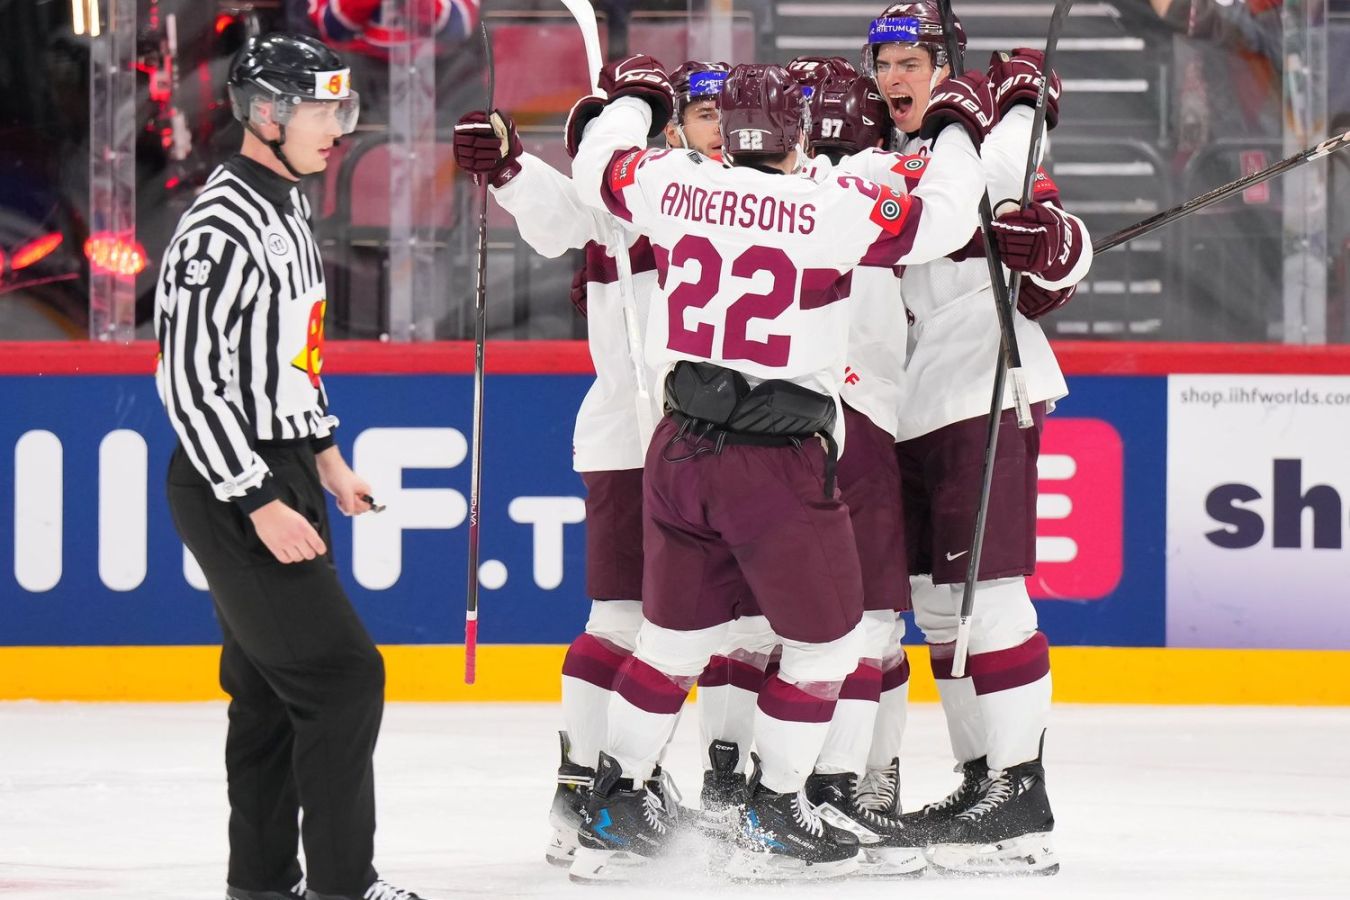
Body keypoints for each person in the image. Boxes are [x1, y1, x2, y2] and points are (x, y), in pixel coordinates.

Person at [566, 56, 993, 881]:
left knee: (670, 644)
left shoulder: (674, 183)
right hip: (776, 458)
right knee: (829, 647)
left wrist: (631, 103)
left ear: (724, 133)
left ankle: (611, 808)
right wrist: (956, 133)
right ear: (795, 132)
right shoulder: (827, 205)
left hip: (678, 447)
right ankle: (774, 815)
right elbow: (943, 220)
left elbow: (596, 165)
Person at [154, 33, 432, 900]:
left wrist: (325, 457)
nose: (340, 129)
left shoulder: (287, 207)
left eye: (344, 109)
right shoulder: (218, 227)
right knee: (343, 676)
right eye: (323, 110)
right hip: (232, 480)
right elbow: (189, 382)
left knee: (270, 693)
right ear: (266, 113)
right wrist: (258, 499)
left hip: (283, 469)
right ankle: (343, 887)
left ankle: (262, 885)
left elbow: (291, 361)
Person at [451, 58, 732, 867]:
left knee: (688, 627)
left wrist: (516, 167)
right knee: (649, 623)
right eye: (704, 114)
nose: (722, 129)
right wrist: (510, 168)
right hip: (676, 436)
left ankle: (605, 790)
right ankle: (609, 789)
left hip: (664, 432)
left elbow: (564, 208)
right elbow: (560, 212)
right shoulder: (655, 185)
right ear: (671, 126)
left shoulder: (645, 187)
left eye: (729, 114)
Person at [861, 1, 1093, 876]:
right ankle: (979, 781)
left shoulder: (994, 145)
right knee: (937, 608)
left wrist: (1049, 246)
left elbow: (1061, 262)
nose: (894, 79)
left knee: (988, 600)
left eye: (911, 63)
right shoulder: (879, 154)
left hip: (983, 384)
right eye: (883, 64)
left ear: (945, 67)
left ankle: (1020, 797)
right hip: (904, 402)